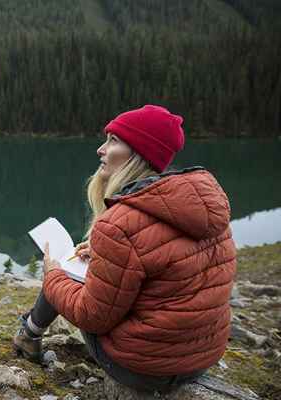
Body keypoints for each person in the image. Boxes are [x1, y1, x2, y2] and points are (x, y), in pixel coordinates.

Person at [13, 105, 236, 393]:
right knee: (77, 269)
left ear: (139, 153)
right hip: (201, 358)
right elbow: (167, 267)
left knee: (64, 271)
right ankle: (31, 329)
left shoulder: (120, 225)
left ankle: (28, 336)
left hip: (145, 370)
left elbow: (92, 316)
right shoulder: (206, 207)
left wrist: (53, 274)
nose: (100, 150)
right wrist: (104, 253)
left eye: (113, 141)